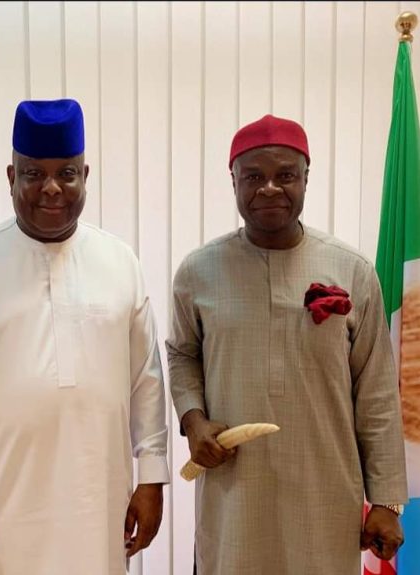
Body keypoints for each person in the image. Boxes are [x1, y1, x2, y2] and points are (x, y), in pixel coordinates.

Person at [0, 98, 170, 574]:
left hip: (100, 498)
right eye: (34, 173)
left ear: (86, 174)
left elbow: (147, 379)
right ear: (10, 176)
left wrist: (152, 478)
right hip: (4, 504)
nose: (52, 188)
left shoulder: (120, 261)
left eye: (67, 173)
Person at [167, 114, 408, 575]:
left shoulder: (351, 269)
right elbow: (182, 354)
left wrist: (386, 500)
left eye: (286, 176)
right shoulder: (198, 271)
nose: (270, 189)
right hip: (233, 496)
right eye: (254, 176)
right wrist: (193, 420)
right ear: (233, 179)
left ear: (306, 179)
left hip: (326, 497)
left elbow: (376, 392)